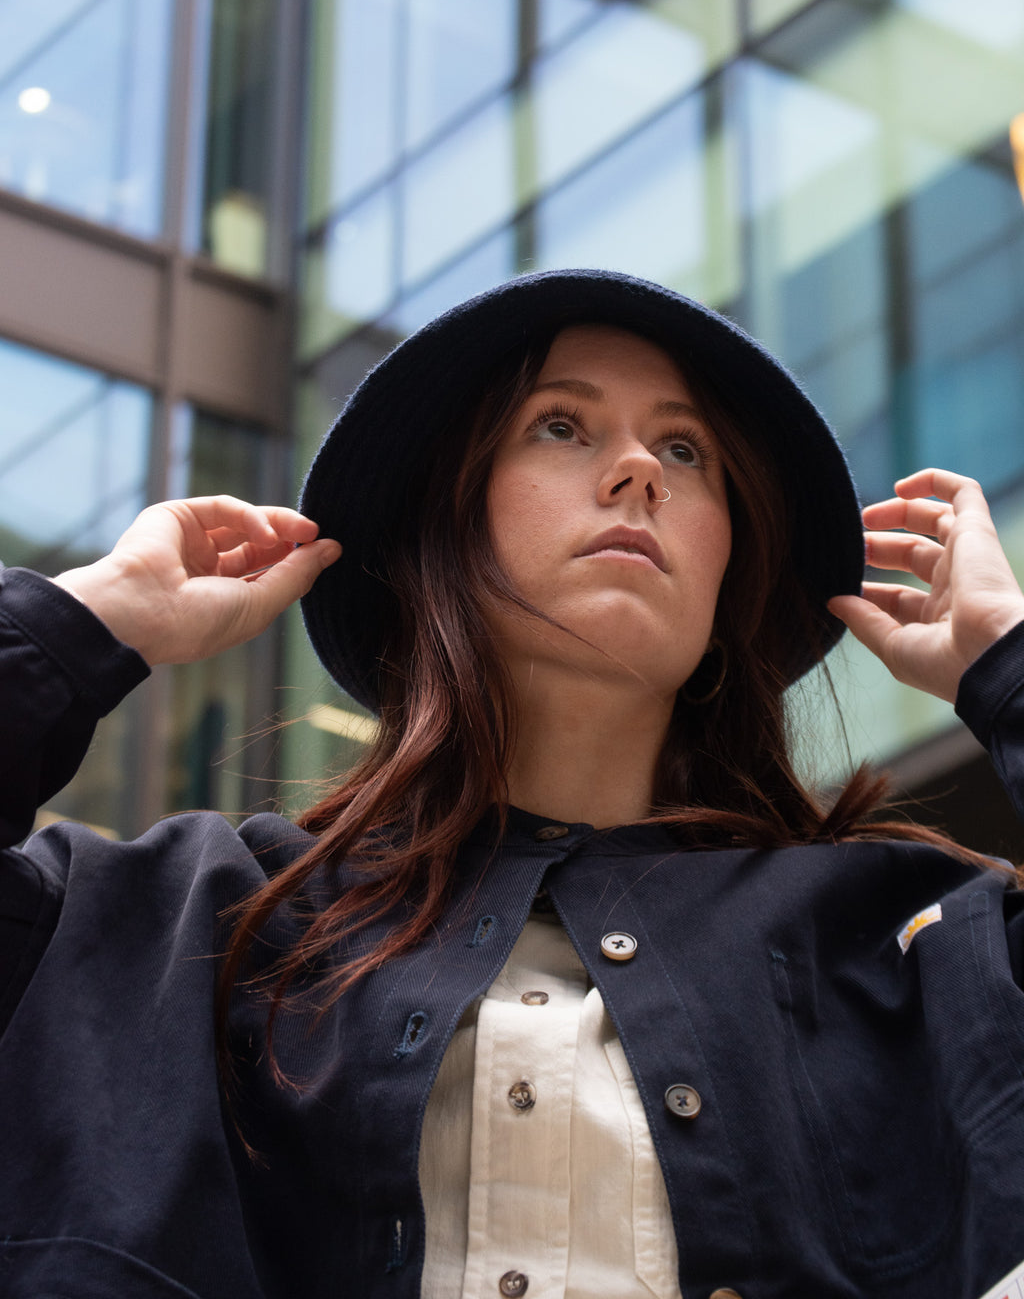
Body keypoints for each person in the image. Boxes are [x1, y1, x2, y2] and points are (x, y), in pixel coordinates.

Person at [2, 267, 1024, 1299]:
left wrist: (1008, 662)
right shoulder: (170, 918)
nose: (638, 472)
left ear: (731, 570)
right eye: (561, 428)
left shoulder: (917, 945)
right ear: (448, 522)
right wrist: (94, 618)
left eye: (683, 449)